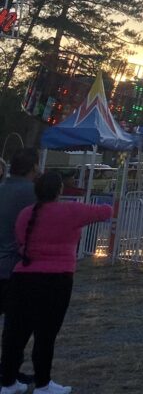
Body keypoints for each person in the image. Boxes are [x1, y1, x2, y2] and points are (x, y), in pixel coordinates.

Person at [0, 170, 113, 394]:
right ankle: (43, 383)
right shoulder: (70, 211)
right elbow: (106, 211)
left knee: (16, 334)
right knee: (46, 334)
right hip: (56, 279)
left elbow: (20, 239)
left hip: (23, 276)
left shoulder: (26, 214)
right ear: (60, 190)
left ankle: (8, 382)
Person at [0, 150, 39, 388]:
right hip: (15, 268)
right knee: (16, 328)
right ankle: (9, 373)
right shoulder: (32, 193)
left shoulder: (2, 189)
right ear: (33, 168)